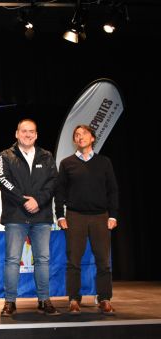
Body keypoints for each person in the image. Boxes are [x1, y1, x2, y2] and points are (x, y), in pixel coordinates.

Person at [0, 118, 59, 317]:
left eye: (32, 131)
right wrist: (24, 201)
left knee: (43, 259)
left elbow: (53, 183)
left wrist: (37, 201)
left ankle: (44, 300)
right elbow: (3, 180)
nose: (28, 134)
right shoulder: (5, 155)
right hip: (15, 215)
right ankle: (10, 302)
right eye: (24, 131)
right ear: (17, 133)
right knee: (13, 260)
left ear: (36, 135)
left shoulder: (47, 156)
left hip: (41, 216)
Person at [55, 125, 119, 315]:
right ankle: (74, 299)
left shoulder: (104, 162)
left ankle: (104, 298)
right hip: (75, 216)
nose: (80, 137)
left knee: (103, 261)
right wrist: (60, 215)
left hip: (101, 216)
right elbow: (60, 192)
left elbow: (113, 190)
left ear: (92, 138)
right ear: (74, 141)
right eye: (76, 135)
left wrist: (113, 215)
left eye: (84, 134)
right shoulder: (67, 163)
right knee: (73, 260)